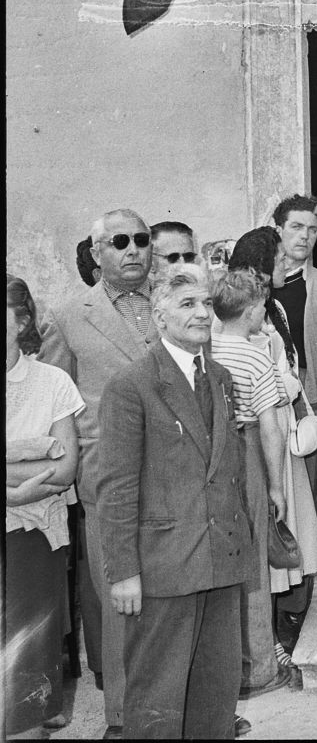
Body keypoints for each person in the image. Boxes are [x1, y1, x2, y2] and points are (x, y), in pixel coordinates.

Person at [96, 266, 254, 739]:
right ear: (158, 317)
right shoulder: (132, 386)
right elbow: (117, 487)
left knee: (215, 691)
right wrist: (124, 571)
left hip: (220, 558)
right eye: (188, 305)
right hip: (164, 564)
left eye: (206, 304)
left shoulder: (221, 377)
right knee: (156, 698)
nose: (203, 313)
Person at [38, 209, 156, 740]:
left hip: (178, 469)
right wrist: (83, 461)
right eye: (119, 242)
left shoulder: (173, 301)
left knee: (176, 590)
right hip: (110, 473)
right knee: (120, 595)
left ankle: (182, 705)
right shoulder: (68, 317)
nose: (132, 251)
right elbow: (55, 401)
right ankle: (124, 718)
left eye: (141, 241)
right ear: (97, 253)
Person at [228, 228, 317, 663]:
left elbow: (290, 367)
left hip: (283, 431)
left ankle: (283, 628)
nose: (289, 265)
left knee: (290, 528)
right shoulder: (236, 319)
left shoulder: (277, 311)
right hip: (262, 432)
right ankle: (265, 642)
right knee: (270, 526)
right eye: (281, 259)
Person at [6, 276, 85, 740]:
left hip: (34, 536)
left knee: (27, 657)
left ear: (21, 322)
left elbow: (64, 470)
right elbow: (44, 464)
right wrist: (22, 468)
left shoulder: (51, 381)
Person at [210, 269, 292, 700]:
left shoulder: (204, 347)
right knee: (255, 559)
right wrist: (275, 485)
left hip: (208, 457)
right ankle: (259, 670)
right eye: (262, 306)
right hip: (244, 452)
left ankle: (222, 668)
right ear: (250, 312)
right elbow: (271, 427)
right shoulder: (255, 355)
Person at [270, 194, 317, 594]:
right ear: (278, 228)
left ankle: (308, 573)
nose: (305, 235)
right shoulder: (257, 279)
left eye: (313, 228)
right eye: (297, 226)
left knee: (306, 488)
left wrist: (308, 385)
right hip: (258, 399)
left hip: (302, 401)